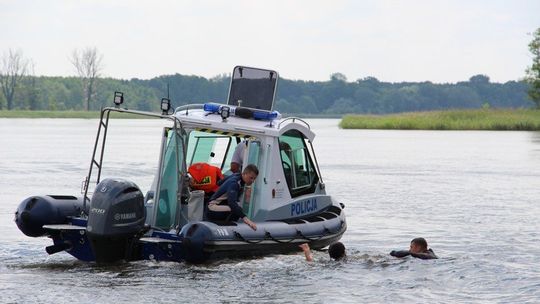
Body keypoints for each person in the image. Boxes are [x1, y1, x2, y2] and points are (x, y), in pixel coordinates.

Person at [206, 164, 258, 230]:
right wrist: (247, 220)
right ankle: (227, 230)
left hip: (216, 204)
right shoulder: (234, 183)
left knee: (237, 208)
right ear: (245, 174)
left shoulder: (237, 175)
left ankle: (227, 225)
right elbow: (232, 203)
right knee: (236, 210)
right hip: (212, 208)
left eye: (254, 179)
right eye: (251, 178)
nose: (253, 181)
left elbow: (219, 182)